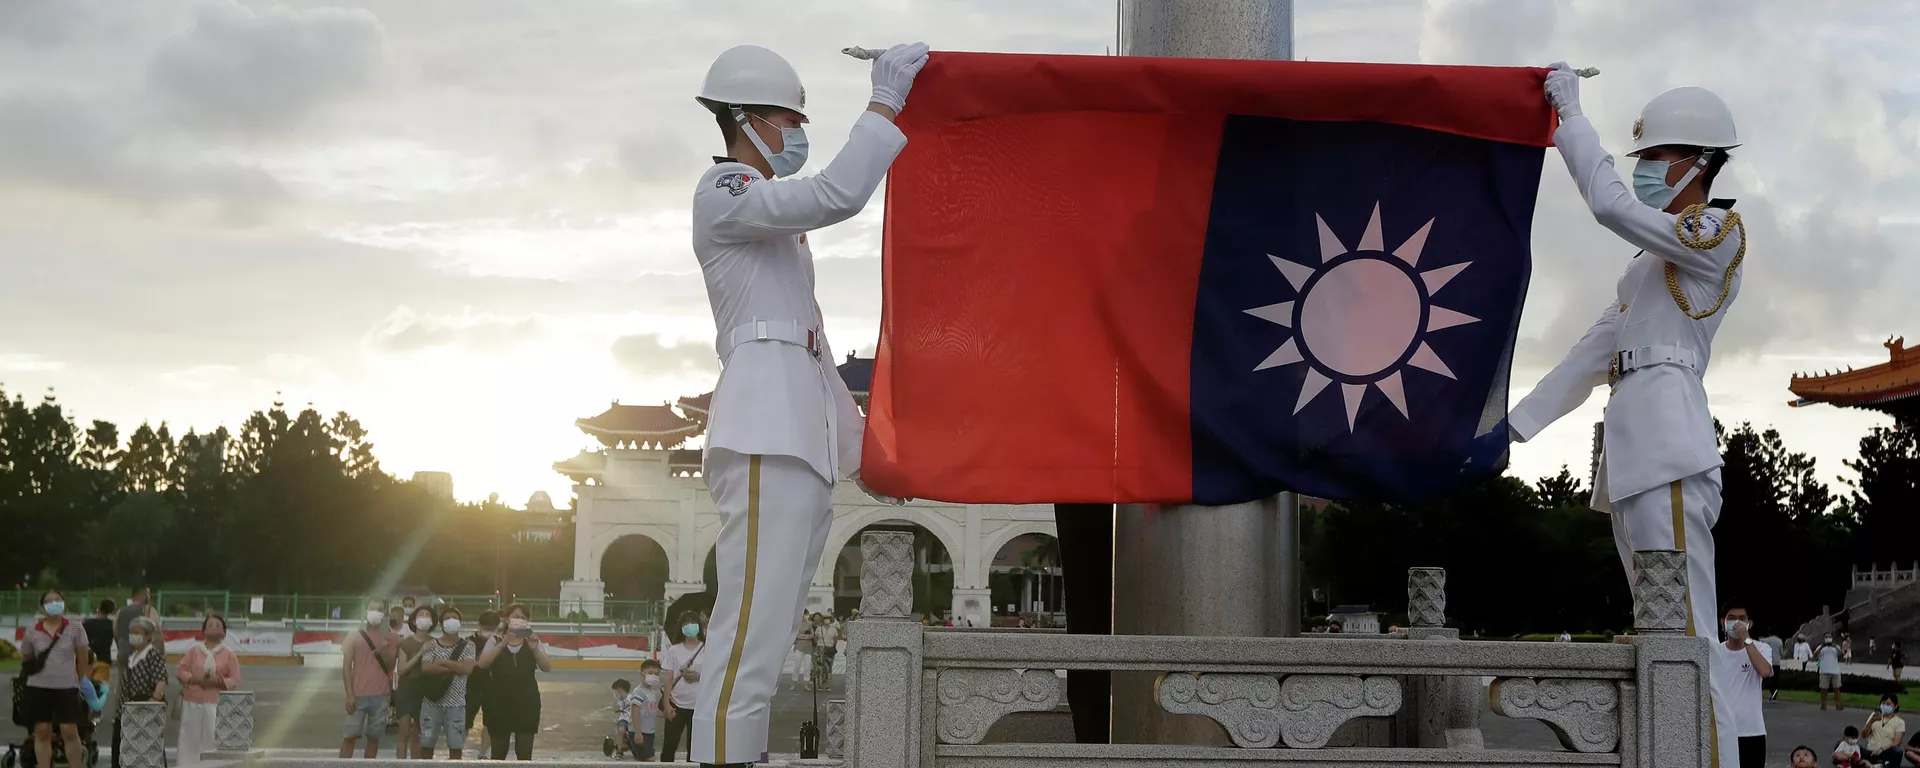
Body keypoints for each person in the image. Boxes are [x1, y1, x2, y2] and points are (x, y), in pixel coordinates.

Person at [686, 40, 930, 768]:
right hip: (766, 432)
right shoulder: (725, 192)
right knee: (747, 636)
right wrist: (884, 105)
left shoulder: (780, 236)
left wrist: (869, 463)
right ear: (745, 120)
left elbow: (819, 357)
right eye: (788, 119)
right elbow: (835, 194)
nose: (797, 134)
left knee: (773, 627)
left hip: (800, 437)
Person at [1515, 66, 1745, 762]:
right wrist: (1510, 430)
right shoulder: (1650, 262)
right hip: (1637, 451)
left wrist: (1571, 122)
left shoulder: (1714, 231)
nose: (1644, 171)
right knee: (1663, 637)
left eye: (1654, 158)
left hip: (1668, 446)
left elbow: (1613, 206)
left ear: (1697, 165)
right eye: (1639, 159)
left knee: (1686, 639)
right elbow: (1592, 353)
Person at [18, 590, 90, 768]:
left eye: (57, 600)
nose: (54, 604)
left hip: (66, 686)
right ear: (42, 608)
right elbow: (26, 659)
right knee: (42, 731)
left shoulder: (75, 627)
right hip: (38, 686)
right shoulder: (32, 631)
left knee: (69, 730)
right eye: (49, 601)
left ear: (64, 603)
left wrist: (77, 681)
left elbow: (83, 657)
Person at [475, 603, 550, 760]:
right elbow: (483, 664)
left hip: (527, 701)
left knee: (524, 751)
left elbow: (546, 667)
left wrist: (535, 648)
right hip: (499, 701)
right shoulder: (495, 640)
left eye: (523, 618)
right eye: (515, 616)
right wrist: (503, 642)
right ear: (507, 619)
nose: (519, 620)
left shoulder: (532, 640)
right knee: (499, 751)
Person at [1712, 603, 1773, 767]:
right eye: (1731, 618)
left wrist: (1746, 639)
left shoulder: (1761, 648)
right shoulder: (1715, 652)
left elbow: (1765, 671)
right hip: (1722, 732)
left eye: (1742, 619)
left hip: (1752, 731)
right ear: (1722, 622)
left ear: (1749, 624)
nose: (1737, 623)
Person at [175, 613, 240, 767]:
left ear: (224, 632)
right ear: (203, 630)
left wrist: (218, 682)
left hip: (215, 703)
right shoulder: (194, 651)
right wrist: (194, 680)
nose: (214, 627)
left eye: (218, 625)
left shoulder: (229, 654)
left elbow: (235, 678)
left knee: (212, 738)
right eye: (210, 625)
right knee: (189, 737)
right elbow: (180, 670)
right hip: (192, 700)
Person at [417, 605, 476, 759]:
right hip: (431, 702)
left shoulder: (468, 645)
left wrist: (443, 662)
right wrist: (456, 667)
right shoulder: (432, 645)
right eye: (447, 618)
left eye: (455, 618)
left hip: (456, 705)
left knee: (456, 747)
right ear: (441, 624)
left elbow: (468, 669)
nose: (451, 621)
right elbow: (426, 668)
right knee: (426, 745)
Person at [341, 599, 398, 758]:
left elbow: (390, 666)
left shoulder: (392, 638)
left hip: (381, 695)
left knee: (374, 737)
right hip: (358, 695)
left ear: (385, 615)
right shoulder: (354, 636)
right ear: (366, 612)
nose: (376, 612)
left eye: (380, 610)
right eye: (373, 609)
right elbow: (346, 667)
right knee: (349, 736)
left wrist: (385, 644)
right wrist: (349, 695)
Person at [111, 618, 167, 768]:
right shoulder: (132, 657)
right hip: (127, 709)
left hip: (144, 708)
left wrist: (155, 699)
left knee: (146, 748)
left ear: (148, 636)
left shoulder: (151, 654)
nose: (133, 636)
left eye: (137, 633)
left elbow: (161, 678)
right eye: (131, 632)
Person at [659, 618, 706, 762]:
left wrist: (699, 676)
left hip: (699, 706)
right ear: (681, 628)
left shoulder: (708, 649)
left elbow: (716, 675)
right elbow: (668, 678)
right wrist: (666, 704)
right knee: (669, 745)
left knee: (695, 749)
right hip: (676, 704)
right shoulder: (674, 650)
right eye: (686, 624)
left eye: (693, 623)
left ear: (699, 627)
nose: (690, 627)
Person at [393, 605, 436, 758]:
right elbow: (402, 669)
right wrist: (420, 653)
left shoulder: (435, 643)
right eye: (421, 614)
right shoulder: (406, 643)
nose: (424, 617)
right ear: (414, 620)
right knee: (404, 731)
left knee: (418, 733)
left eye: (427, 615)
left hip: (426, 690)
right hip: (407, 689)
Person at [466, 610, 501, 749]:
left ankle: (483, 753)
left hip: (492, 686)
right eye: (486, 628)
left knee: (489, 722)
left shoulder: (499, 642)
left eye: (492, 629)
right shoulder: (469, 641)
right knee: (465, 721)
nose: (489, 632)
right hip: (471, 685)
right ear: (479, 626)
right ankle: (458, 751)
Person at [1860, 695, 1906, 766]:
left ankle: (1881, 763)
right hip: (1871, 751)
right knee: (1851, 747)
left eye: (1888, 704)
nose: (1885, 706)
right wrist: (1871, 721)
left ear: (1896, 706)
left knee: (1898, 751)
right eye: (1883, 703)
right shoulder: (1874, 717)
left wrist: (1882, 749)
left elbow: (1896, 742)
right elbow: (1863, 735)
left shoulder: (1899, 722)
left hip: (1885, 752)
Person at [1819, 633, 1846, 711]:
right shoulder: (1821, 647)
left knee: (1837, 688)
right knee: (1824, 689)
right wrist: (1821, 646)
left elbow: (1842, 654)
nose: (1828, 638)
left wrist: (1835, 647)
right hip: (1824, 671)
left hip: (1835, 671)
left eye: (1829, 637)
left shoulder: (1836, 647)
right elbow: (1814, 656)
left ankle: (1838, 704)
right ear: (1824, 638)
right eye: (1826, 637)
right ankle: (1823, 704)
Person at [789, 621, 814, 692]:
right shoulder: (797, 624)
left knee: (807, 667)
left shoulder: (809, 624)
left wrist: (803, 636)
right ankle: (794, 684)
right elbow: (795, 635)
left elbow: (812, 635)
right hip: (799, 647)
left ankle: (806, 684)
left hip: (808, 647)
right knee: (797, 666)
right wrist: (804, 636)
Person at [1761, 631, 1785, 701]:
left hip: (1769, 661)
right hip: (1777, 662)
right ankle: (1775, 691)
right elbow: (1781, 653)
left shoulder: (1766, 640)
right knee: (1776, 678)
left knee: (1769, 678)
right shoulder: (1780, 641)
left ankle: (1772, 690)